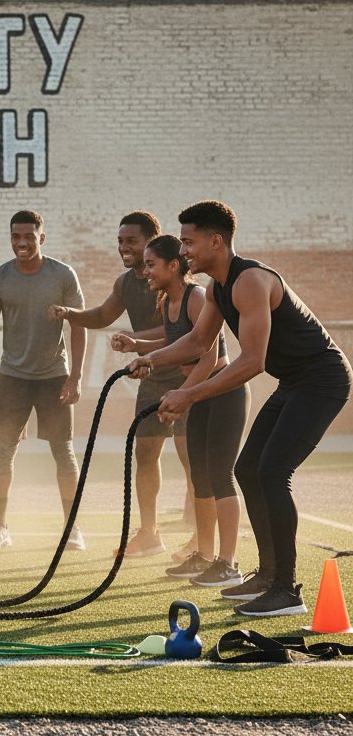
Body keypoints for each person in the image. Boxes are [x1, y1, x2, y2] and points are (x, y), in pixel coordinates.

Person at [130, 200, 351, 617]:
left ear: (216, 241)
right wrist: (150, 359)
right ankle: (267, 576)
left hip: (323, 379)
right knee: (249, 468)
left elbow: (252, 361)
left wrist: (188, 396)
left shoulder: (250, 280)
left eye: (189, 242)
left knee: (272, 471)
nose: (185, 251)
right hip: (295, 381)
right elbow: (198, 342)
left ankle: (286, 590)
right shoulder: (216, 287)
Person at [48, 210, 196, 558]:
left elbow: (179, 331)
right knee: (144, 454)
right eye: (120, 242)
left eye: (131, 241)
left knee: (193, 460)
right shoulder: (126, 283)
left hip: (187, 377)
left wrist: (136, 340)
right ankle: (150, 534)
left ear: (152, 242)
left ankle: (201, 539)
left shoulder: (180, 285)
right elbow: (100, 316)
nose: (124, 248)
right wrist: (69, 313)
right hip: (151, 377)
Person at [110, 235, 249, 587]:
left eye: (151, 264)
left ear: (174, 265)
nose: (145, 271)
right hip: (199, 395)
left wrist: (185, 393)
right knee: (201, 478)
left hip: (222, 393)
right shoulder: (167, 300)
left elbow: (211, 355)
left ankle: (227, 563)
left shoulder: (197, 296)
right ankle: (203, 555)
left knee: (219, 476)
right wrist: (140, 348)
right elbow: (176, 341)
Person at [0, 210, 87, 552]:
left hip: (54, 376)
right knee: (3, 451)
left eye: (28, 236)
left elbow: (79, 325)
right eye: (15, 237)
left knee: (64, 452)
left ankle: (72, 528)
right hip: (12, 377)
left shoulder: (62, 275)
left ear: (41, 237)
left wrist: (76, 376)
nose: (21, 242)